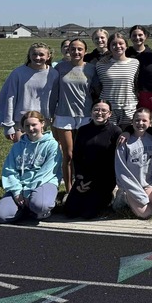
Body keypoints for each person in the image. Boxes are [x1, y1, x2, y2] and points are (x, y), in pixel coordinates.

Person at [0, 111, 62, 223]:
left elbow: (46, 173)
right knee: (0, 216)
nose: (30, 128)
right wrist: (17, 192)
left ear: (42, 124)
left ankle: (38, 210)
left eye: (34, 125)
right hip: (20, 186)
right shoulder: (17, 147)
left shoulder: (52, 145)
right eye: (27, 126)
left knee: (40, 205)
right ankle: (25, 209)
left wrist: (27, 192)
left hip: (44, 182)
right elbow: (9, 170)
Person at [62, 100, 122, 219]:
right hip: (85, 177)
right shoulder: (83, 130)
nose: (99, 113)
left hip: (105, 178)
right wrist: (80, 179)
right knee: (70, 212)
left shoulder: (115, 131)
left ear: (109, 114)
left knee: (87, 214)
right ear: (91, 112)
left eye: (104, 110)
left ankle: (108, 197)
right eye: (96, 110)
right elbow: (77, 156)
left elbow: (117, 159)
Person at [52, 38, 95, 192]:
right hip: (64, 115)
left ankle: (84, 187)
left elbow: (96, 91)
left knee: (83, 154)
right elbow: (52, 92)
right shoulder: (59, 68)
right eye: (73, 49)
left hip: (85, 115)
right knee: (68, 154)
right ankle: (69, 191)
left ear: (85, 51)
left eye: (80, 49)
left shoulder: (91, 68)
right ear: (68, 50)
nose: (76, 52)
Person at [0, 42, 59, 143]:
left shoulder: (53, 74)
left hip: (41, 121)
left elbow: (56, 99)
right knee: (22, 153)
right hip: (21, 122)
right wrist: (8, 125)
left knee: (39, 152)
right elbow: (9, 98)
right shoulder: (18, 73)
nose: (37, 58)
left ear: (48, 56)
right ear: (29, 55)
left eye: (41, 55)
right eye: (34, 54)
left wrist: (51, 117)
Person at [114, 107, 152, 219]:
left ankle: (145, 198)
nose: (140, 123)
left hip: (148, 183)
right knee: (147, 214)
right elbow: (121, 170)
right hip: (131, 185)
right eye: (137, 120)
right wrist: (136, 193)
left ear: (150, 123)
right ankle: (123, 196)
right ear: (132, 121)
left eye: (144, 121)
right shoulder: (124, 141)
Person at [92, 33, 140, 126]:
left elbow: (137, 84)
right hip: (108, 109)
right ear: (109, 47)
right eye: (114, 44)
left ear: (126, 45)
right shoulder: (101, 64)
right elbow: (98, 87)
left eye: (121, 43)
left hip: (129, 108)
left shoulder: (135, 63)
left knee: (126, 137)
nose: (118, 46)